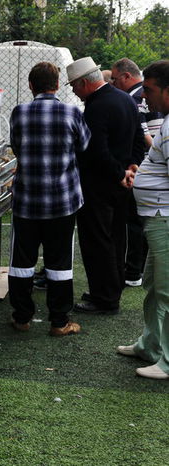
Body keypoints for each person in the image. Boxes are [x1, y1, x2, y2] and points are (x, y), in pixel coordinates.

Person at [8, 62, 90, 336]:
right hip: (62, 201)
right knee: (59, 262)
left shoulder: (19, 112)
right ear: (57, 85)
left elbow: (17, 147)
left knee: (22, 261)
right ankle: (59, 321)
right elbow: (84, 146)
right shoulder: (72, 112)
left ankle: (22, 317)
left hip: (27, 201)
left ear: (31, 85)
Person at [67, 57, 145, 315]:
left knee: (97, 242)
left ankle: (104, 298)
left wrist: (118, 173)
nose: (73, 92)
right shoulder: (125, 99)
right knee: (116, 239)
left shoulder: (96, 107)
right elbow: (137, 138)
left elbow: (96, 151)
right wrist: (131, 167)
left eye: (73, 86)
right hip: (121, 184)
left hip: (100, 185)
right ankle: (110, 290)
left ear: (83, 83)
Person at [115, 60, 169, 380]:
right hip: (156, 217)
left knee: (166, 291)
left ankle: (166, 361)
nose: (144, 97)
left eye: (148, 89)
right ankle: (149, 345)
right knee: (153, 286)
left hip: (164, 218)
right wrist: (140, 173)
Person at [111, 58, 165, 287]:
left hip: (158, 202)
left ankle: (133, 270)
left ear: (126, 76)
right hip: (156, 193)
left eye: (114, 78)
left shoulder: (133, 99)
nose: (145, 95)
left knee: (133, 225)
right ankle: (137, 270)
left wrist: (144, 163)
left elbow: (144, 136)